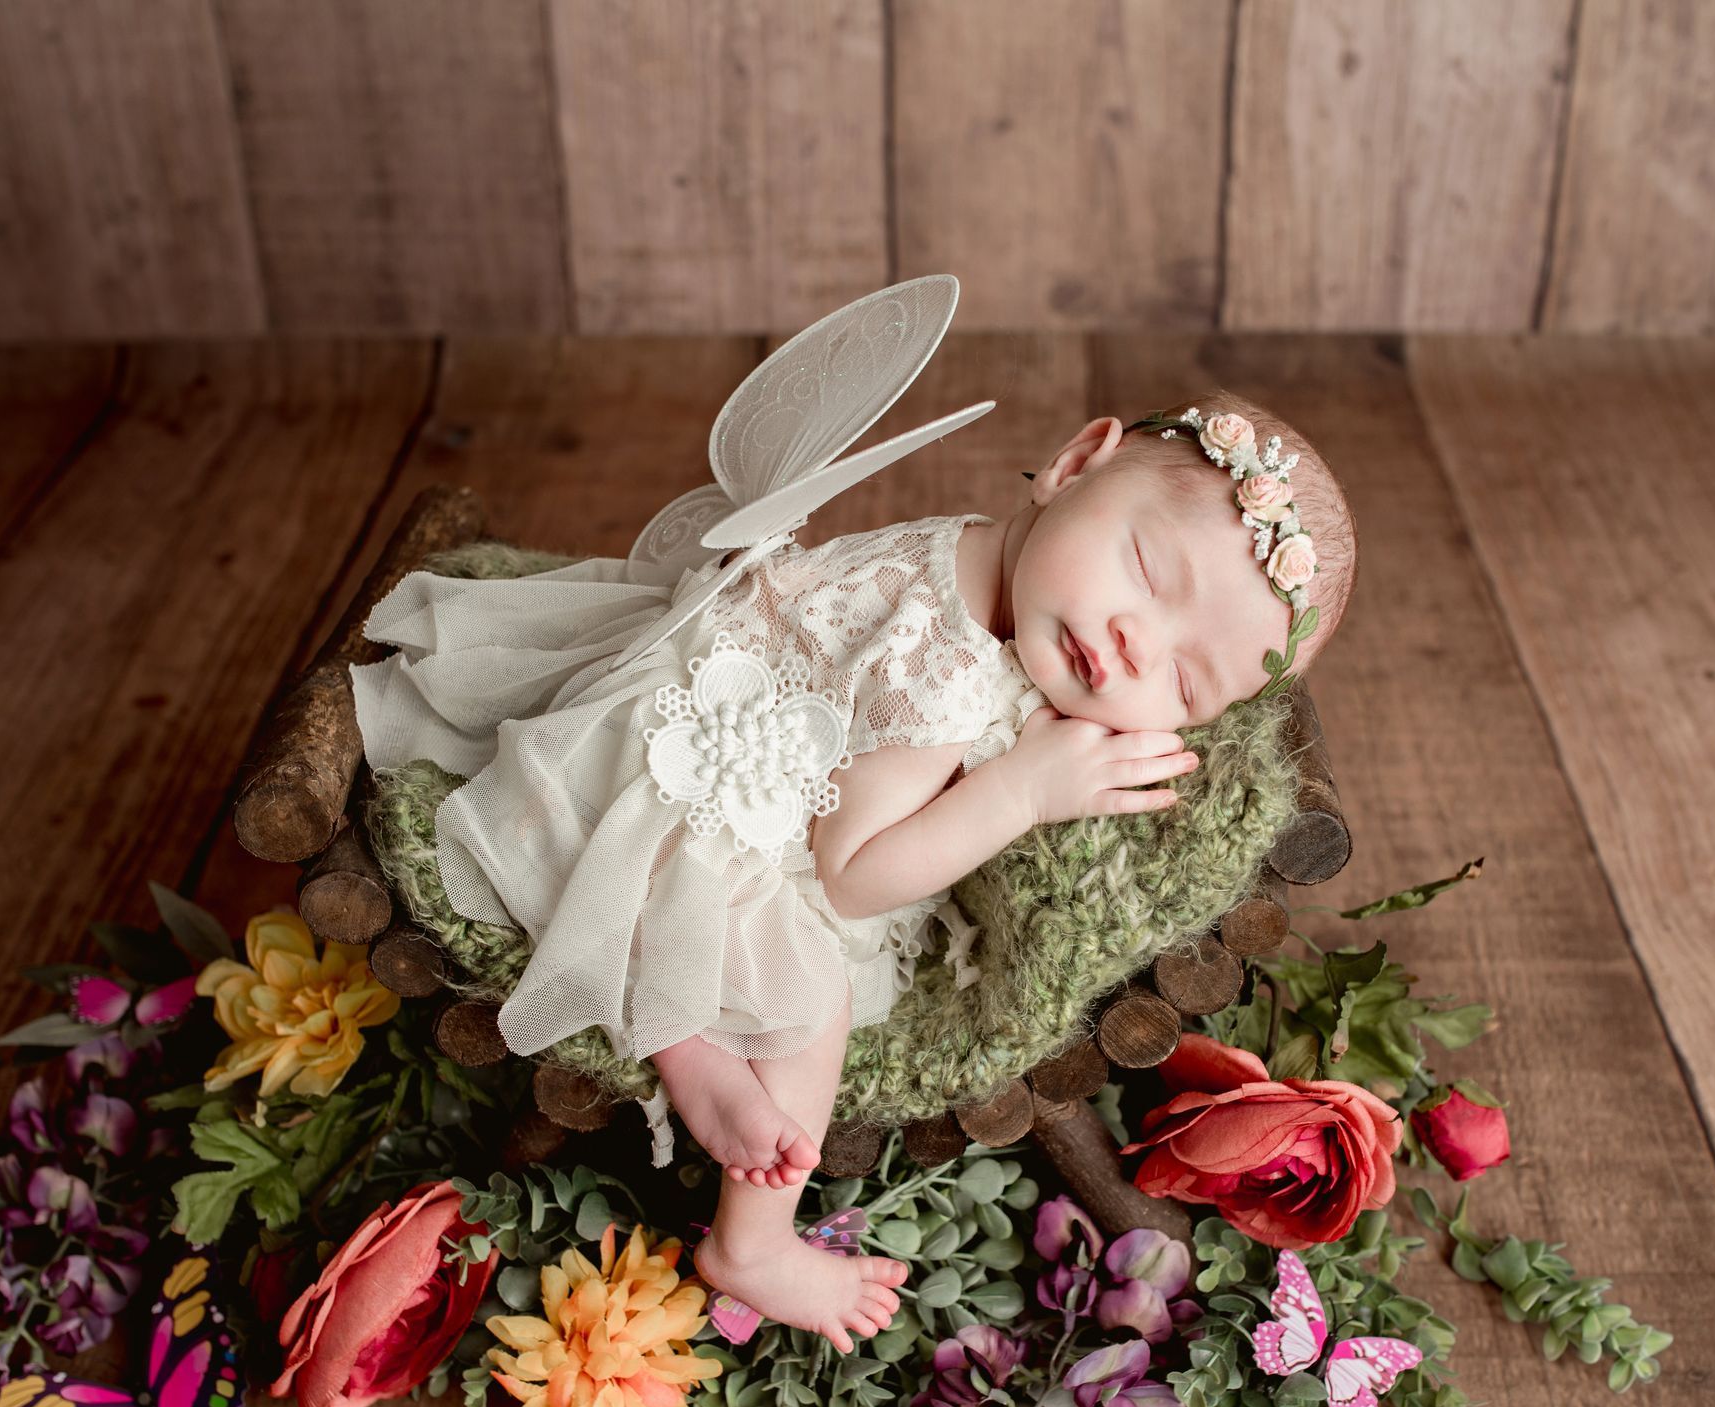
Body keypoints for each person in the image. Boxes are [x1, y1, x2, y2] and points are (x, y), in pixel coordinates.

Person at [350, 392, 1358, 1353]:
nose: (1138, 644)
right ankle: (750, 1238)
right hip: (682, 780)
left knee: (731, 928)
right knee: (811, 985)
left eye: (1184, 681)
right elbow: (853, 878)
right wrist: (1020, 793)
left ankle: (691, 1049)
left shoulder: (986, 562)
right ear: (1074, 463)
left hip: (719, 712)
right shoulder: (945, 668)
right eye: (1144, 564)